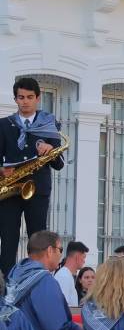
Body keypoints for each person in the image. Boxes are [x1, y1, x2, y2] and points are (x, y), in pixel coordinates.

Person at [0, 78, 65, 275]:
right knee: (8, 240)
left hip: (37, 191)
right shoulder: (4, 125)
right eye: (21, 97)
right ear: (15, 99)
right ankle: (6, 285)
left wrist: (50, 148)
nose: (25, 101)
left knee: (38, 240)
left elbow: (59, 163)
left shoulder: (48, 124)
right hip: (10, 190)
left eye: (29, 97)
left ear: (38, 98)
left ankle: (36, 279)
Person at [9, 231, 80, 330]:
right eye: (60, 250)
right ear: (49, 251)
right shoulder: (44, 281)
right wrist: (78, 329)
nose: (61, 255)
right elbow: (57, 327)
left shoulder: (14, 273)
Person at [53, 240, 88, 307]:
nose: (84, 261)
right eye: (83, 257)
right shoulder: (64, 276)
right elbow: (62, 307)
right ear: (77, 257)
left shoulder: (66, 275)